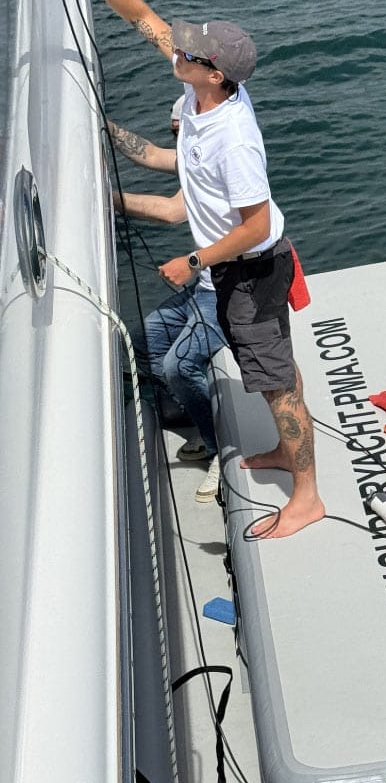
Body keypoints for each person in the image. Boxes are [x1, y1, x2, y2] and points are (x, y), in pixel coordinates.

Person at [54, 0, 326, 539]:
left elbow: (255, 227)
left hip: (250, 271)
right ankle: (288, 454)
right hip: (243, 269)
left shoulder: (235, 142)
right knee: (278, 372)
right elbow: (147, 20)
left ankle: (306, 498)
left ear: (214, 73)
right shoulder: (198, 91)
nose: (176, 49)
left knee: (276, 383)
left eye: (191, 50)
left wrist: (194, 261)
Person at [121, 99, 227, 502]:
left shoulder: (216, 167)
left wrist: (107, 197)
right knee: (144, 340)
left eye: (181, 132)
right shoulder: (194, 158)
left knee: (177, 364)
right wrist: (104, 127)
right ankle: (197, 413)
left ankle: (220, 447)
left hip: (225, 293)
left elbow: (170, 212)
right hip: (203, 288)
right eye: (173, 133)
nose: (177, 141)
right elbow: (147, 153)